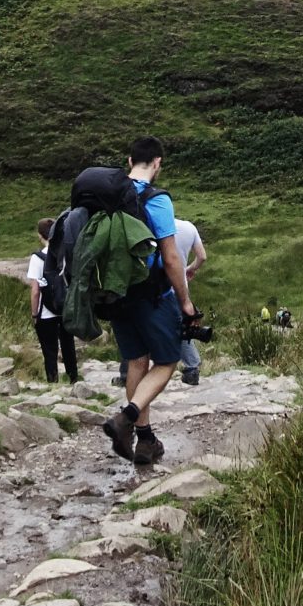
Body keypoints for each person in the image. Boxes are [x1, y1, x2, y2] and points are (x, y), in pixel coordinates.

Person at [100, 135, 199, 468]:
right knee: (168, 361)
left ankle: (144, 442)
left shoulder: (108, 196)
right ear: (157, 163)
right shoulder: (157, 199)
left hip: (115, 294)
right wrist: (185, 302)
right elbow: (171, 258)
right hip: (152, 295)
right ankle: (125, 418)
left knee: (136, 362)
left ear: (129, 161)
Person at [26, 217, 78, 384]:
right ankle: (73, 378)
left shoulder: (37, 258)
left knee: (49, 349)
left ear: (40, 235)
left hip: (46, 310)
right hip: (66, 307)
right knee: (68, 344)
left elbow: (35, 291)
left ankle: (52, 380)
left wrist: (34, 314)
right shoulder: (67, 253)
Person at [174, 218, 209, 385]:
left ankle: (128, 372)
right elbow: (202, 256)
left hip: (155, 286)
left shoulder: (152, 224)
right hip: (180, 286)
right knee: (182, 327)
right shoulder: (188, 227)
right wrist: (188, 269)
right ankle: (192, 367)